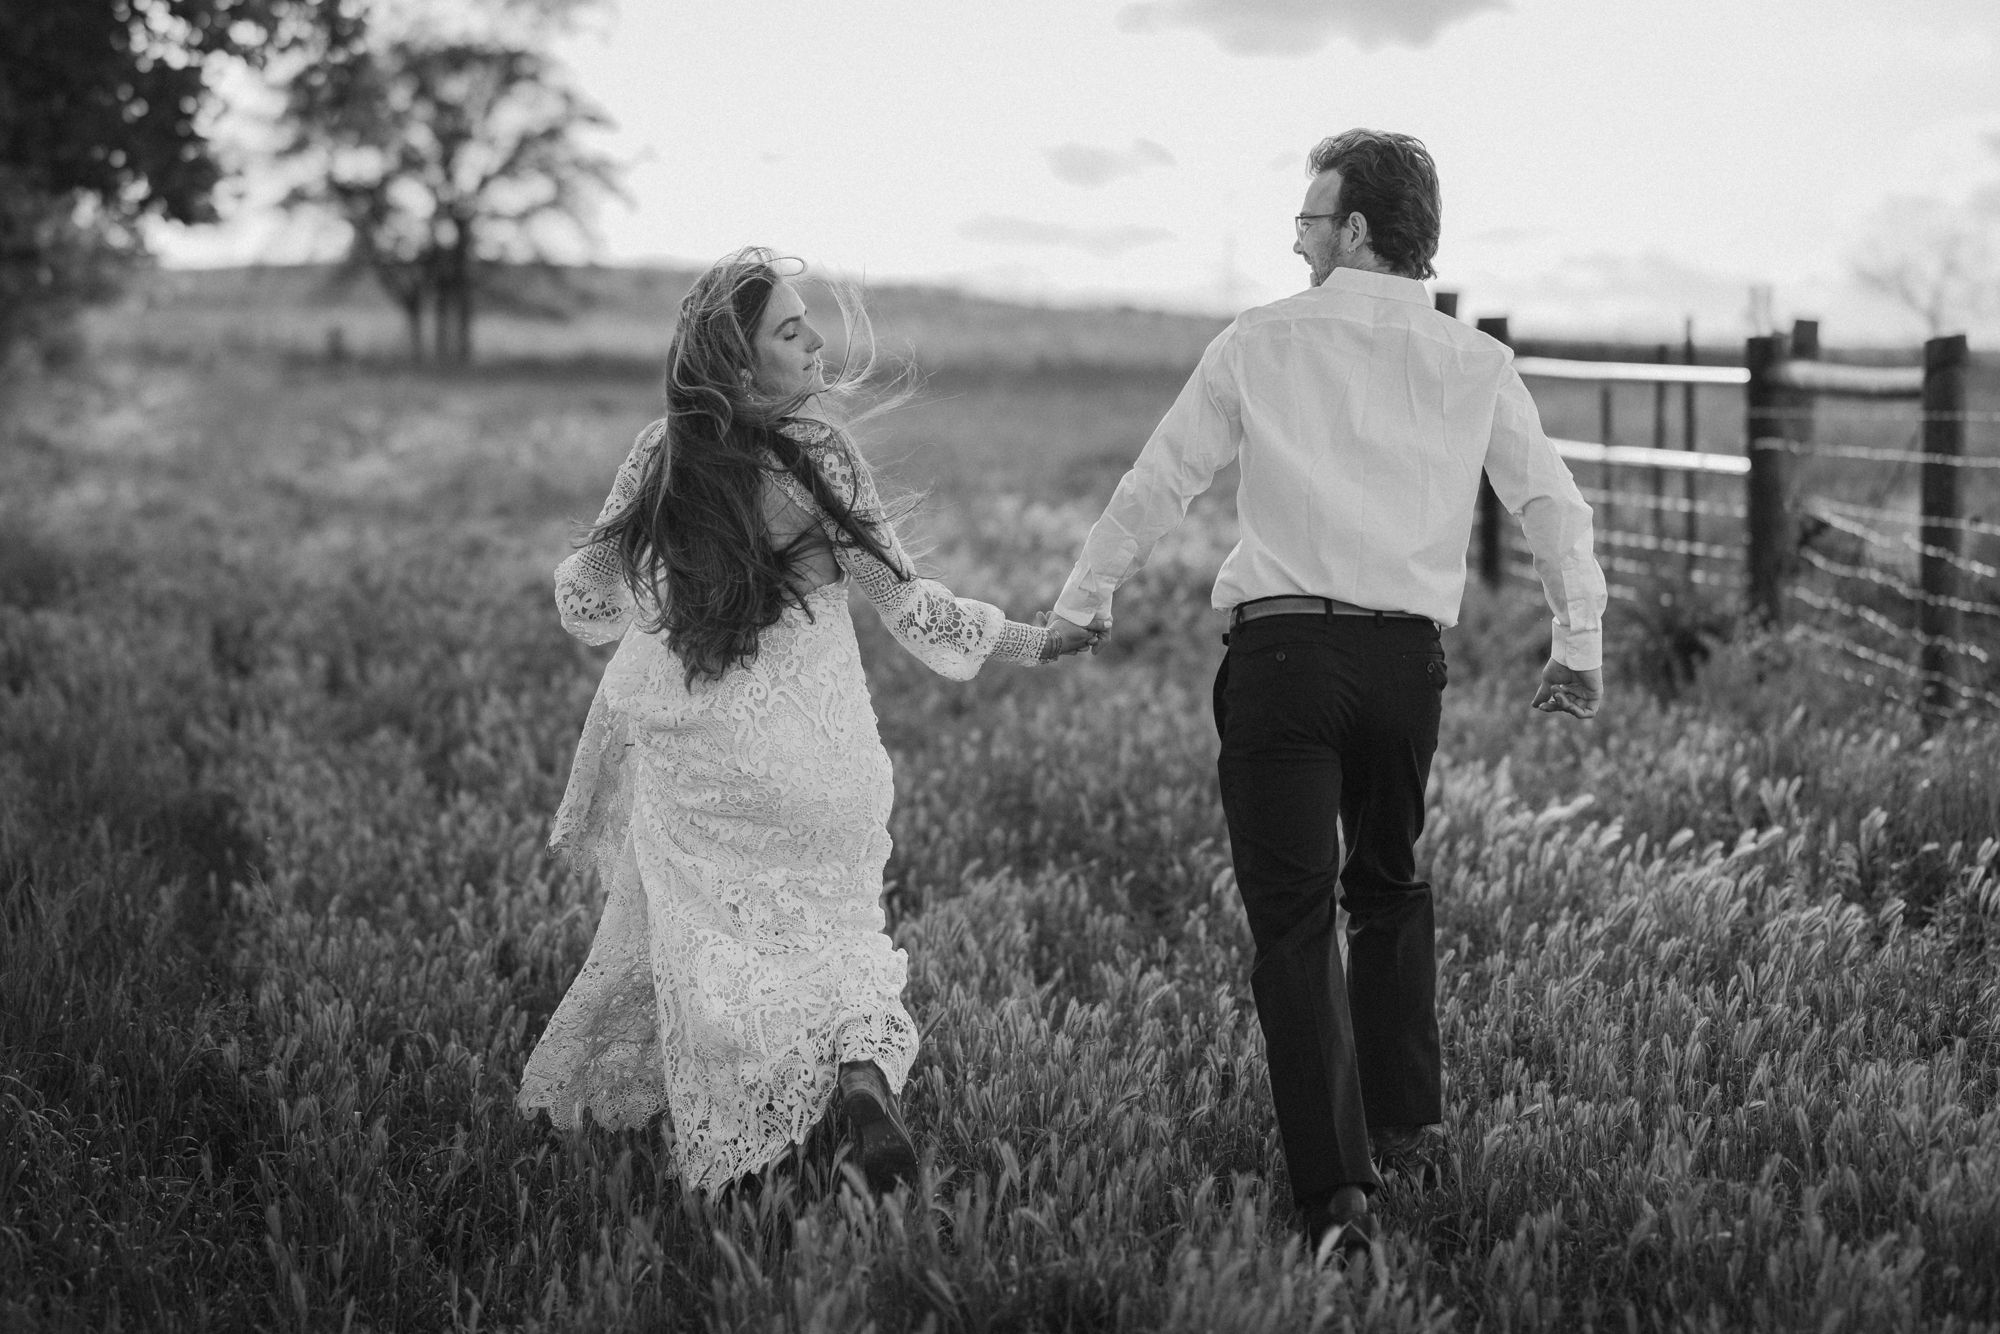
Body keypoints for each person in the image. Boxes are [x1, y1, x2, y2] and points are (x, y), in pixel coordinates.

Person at [1047, 129, 1607, 1260]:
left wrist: (1084, 597)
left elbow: (1161, 477)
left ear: (1353, 228)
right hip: (1405, 668)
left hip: (1282, 659)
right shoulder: (1472, 361)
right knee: (1390, 885)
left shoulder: (1260, 339)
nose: (1297, 238)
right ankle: (1406, 1127)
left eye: (1309, 218)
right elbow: (1552, 506)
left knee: (1294, 920)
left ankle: (1336, 1196)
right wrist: (1576, 639)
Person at [517, 246, 1105, 1196]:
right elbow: (907, 603)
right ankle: (862, 1087)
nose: (815, 342)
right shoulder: (822, 458)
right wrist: (1035, 640)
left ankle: (756, 1139)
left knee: (718, 949)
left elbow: (584, 598)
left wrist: (660, 592)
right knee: (840, 944)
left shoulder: (660, 458)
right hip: (826, 762)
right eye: (791, 331)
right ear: (741, 363)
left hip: (711, 767)